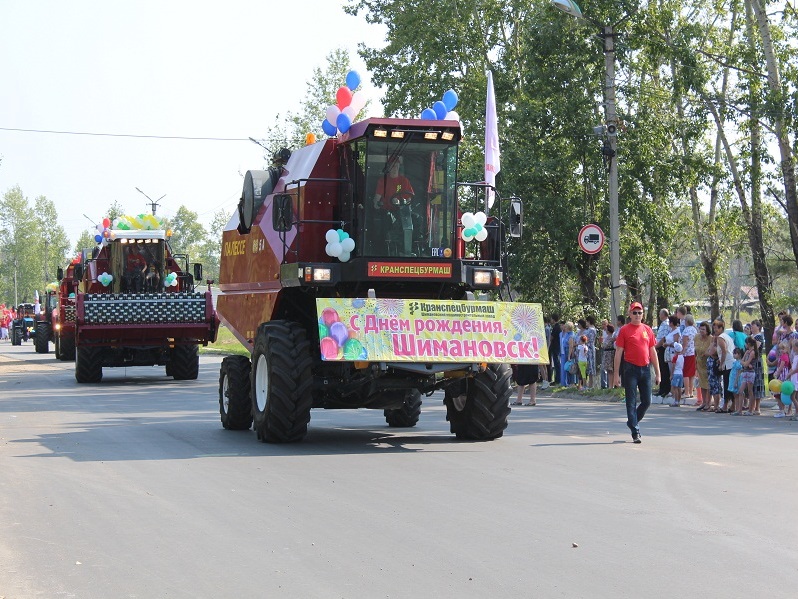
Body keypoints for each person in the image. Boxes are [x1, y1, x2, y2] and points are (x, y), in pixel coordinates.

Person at [613, 301, 660, 444]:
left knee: (647, 401)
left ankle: (632, 421)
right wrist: (616, 375)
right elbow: (618, 353)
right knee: (631, 401)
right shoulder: (625, 330)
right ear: (630, 314)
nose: (637, 315)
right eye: (635, 312)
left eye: (640, 313)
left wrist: (658, 373)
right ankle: (635, 431)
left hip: (645, 369)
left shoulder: (647, 329)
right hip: (630, 369)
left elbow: (652, 351)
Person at [681, 314, 698, 401]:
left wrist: (682, 352)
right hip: (693, 353)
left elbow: (685, 343)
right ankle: (691, 391)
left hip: (687, 353)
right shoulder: (695, 330)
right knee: (691, 373)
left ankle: (687, 392)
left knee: (686, 373)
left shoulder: (686, 331)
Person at [655, 308, 671, 397]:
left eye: (660, 314)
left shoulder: (666, 324)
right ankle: (662, 389)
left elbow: (663, 338)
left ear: (664, 314)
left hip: (662, 348)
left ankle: (665, 389)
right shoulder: (663, 323)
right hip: (659, 347)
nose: (659, 315)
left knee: (663, 369)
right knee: (661, 368)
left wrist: (656, 346)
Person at [669, 342, 685, 407]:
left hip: (676, 373)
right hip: (681, 373)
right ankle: (678, 401)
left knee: (675, 388)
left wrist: (671, 374)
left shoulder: (675, 357)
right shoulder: (682, 357)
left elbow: (673, 366)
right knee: (679, 388)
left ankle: (676, 401)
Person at [549, 314, 562, 385]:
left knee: (556, 363)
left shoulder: (556, 327)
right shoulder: (558, 327)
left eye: (551, 319)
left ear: (553, 319)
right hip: (557, 347)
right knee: (556, 363)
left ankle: (558, 379)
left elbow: (551, 337)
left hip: (555, 347)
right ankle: (557, 378)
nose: (551, 320)